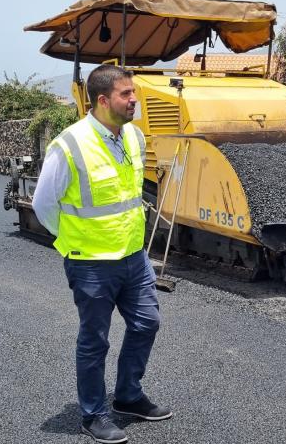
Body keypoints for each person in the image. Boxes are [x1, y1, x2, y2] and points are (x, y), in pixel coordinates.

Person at [32, 64, 170, 444]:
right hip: (91, 262)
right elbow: (44, 204)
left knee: (147, 323)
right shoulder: (70, 144)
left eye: (134, 94)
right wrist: (75, 239)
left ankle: (127, 395)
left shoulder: (135, 138)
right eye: (127, 94)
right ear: (104, 100)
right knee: (95, 339)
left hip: (133, 256)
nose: (134, 100)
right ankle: (93, 414)